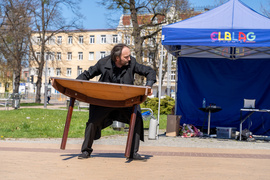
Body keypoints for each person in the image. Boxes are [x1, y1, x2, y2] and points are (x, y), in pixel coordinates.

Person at [76, 44, 156, 160]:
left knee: (137, 119)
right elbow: (87, 74)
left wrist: (148, 85)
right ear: (117, 58)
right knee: (93, 122)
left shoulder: (131, 63)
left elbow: (149, 71)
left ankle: (133, 153)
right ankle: (86, 151)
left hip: (125, 103)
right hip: (104, 102)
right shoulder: (103, 63)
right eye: (126, 57)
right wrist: (76, 85)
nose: (129, 58)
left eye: (129, 56)